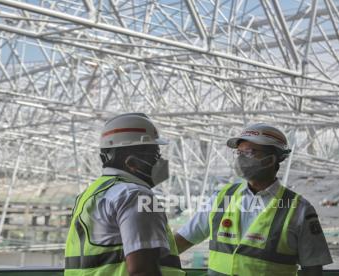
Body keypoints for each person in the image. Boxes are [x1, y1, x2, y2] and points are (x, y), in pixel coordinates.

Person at [174, 123, 333, 276]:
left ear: (271, 160)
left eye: (249, 152)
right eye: (239, 153)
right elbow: (181, 241)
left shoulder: (299, 209)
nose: (241, 159)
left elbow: (312, 267)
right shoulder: (221, 198)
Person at [64, 113, 185, 276]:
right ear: (131, 162)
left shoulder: (91, 194)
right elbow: (142, 270)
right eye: (155, 155)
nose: (160, 162)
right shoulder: (135, 196)